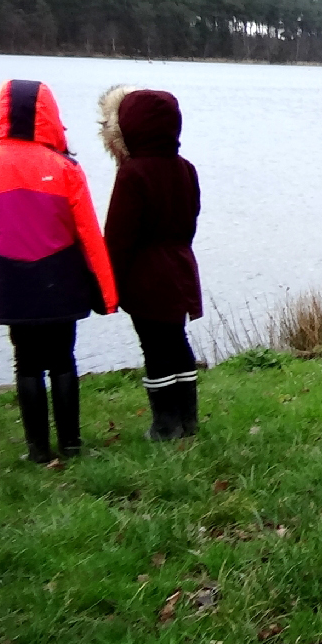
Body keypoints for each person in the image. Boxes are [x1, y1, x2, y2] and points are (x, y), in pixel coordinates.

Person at [0, 79, 117, 464]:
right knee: (63, 360)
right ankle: (72, 445)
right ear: (50, 116)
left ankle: (38, 450)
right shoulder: (65, 169)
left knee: (25, 363)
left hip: (11, 284)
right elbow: (90, 237)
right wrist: (107, 294)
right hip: (61, 280)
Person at [100, 86, 203, 439]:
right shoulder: (186, 169)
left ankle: (164, 423)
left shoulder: (132, 174)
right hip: (180, 266)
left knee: (155, 347)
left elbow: (118, 236)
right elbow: (190, 221)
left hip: (145, 275)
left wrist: (107, 284)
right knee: (177, 341)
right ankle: (188, 419)